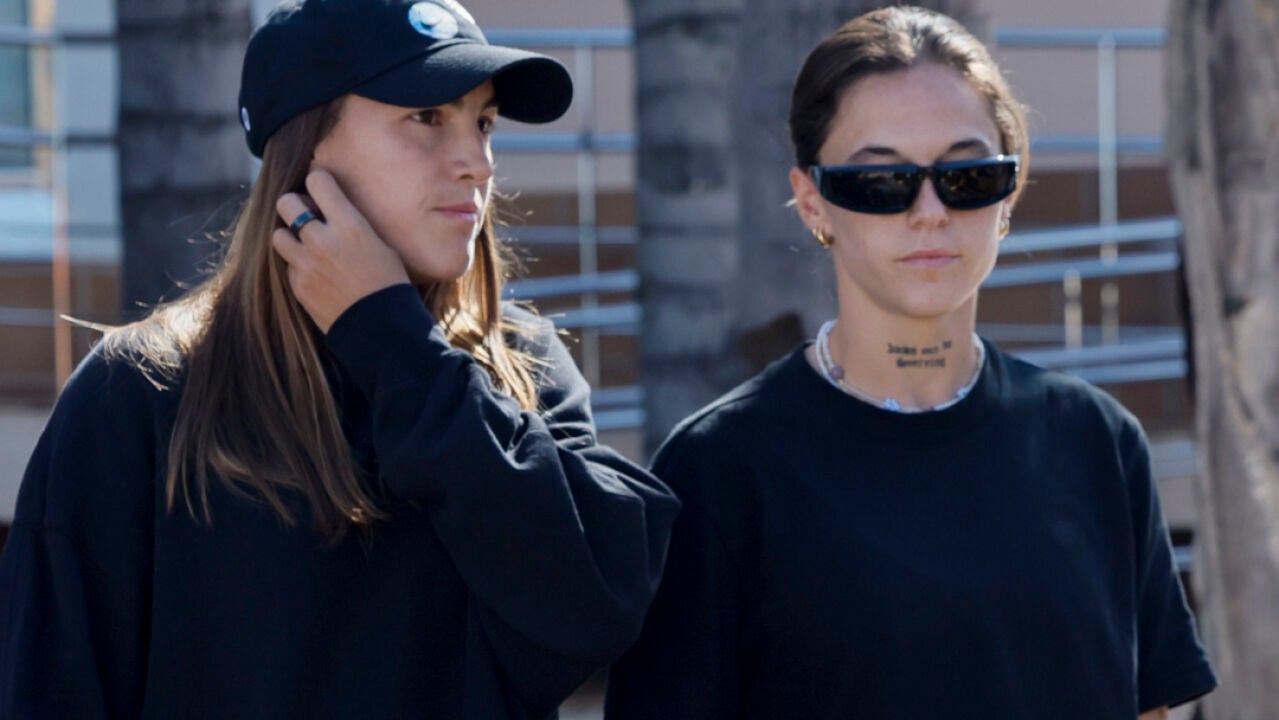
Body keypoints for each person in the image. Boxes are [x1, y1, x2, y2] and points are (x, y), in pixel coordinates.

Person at [0, 1, 678, 717]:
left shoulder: (524, 366)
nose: (478, 165)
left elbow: (593, 611)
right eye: (427, 117)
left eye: (483, 123)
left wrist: (392, 342)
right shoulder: (142, 391)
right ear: (307, 153)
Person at [606, 7, 1215, 719]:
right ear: (813, 203)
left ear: (1009, 193)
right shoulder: (720, 471)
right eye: (881, 181)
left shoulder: (1097, 442)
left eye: (966, 175)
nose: (929, 211)